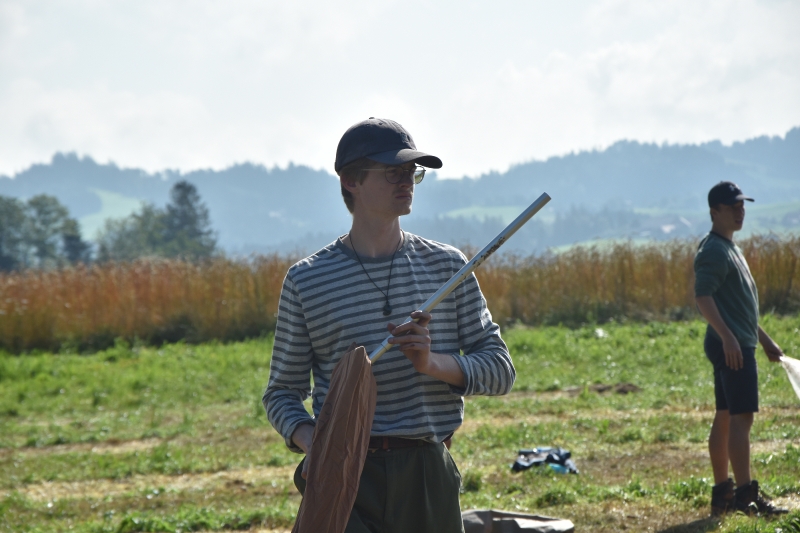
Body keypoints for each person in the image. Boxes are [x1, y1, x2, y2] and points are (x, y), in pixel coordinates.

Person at [262, 117, 515, 533]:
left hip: (426, 472)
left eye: (412, 172)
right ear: (351, 181)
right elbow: (281, 393)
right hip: (344, 475)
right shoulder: (307, 280)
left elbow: (501, 371)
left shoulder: (448, 267)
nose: (407, 181)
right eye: (392, 172)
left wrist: (432, 363)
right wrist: (317, 444)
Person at [694, 181, 787, 517]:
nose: (740, 211)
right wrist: (729, 338)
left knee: (725, 416)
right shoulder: (714, 251)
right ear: (714, 212)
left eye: (742, 205)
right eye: (732, 207)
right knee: (741, 418)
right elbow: (703, 297)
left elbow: (737, 306)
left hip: (737, 342)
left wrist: (763, 338)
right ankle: (746, 497)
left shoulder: (730, 247)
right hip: (732, 347)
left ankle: (723, 494)